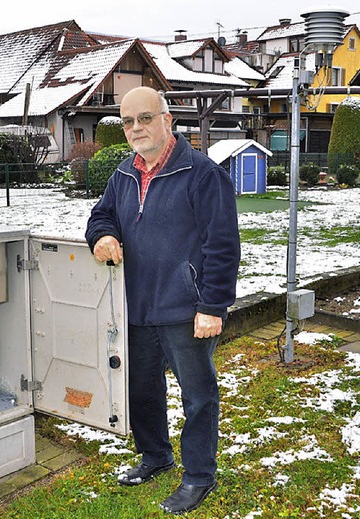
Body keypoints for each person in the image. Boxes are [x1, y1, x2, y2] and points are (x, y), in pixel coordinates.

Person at [85, 86, 240, 515]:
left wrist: (212, 306)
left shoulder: (203, 175)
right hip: (135, 306)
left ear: (167, 119)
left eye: (146, 118)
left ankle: (198, 475)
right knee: (142, 390)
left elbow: (223, 247)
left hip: (185, 310)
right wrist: (103, 235)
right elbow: (100, 215)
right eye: (129, 121)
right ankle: (155, 455)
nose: (136, 128)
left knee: (198, 395)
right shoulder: (123, 174)